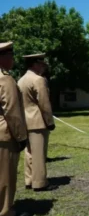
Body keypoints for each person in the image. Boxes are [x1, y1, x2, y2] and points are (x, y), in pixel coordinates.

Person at [18, 53, 57, 192]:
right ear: (35, 64)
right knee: (39, 153)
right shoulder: (39, 80)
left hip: (25, 120)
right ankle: (40, 182)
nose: (43, 67)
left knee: (29, 152)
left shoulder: (21, 79)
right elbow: (44, 103)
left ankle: (29, 179)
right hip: (38, 120)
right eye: (41, 64)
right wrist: (49, 121)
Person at [0, 41, 29, 216]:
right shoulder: (5, 79)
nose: (13, 60)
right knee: (6, 176)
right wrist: (21, 137)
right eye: (10, 56)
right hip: (4, 134)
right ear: (2, 58)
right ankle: (5, 211)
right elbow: (12, 111)